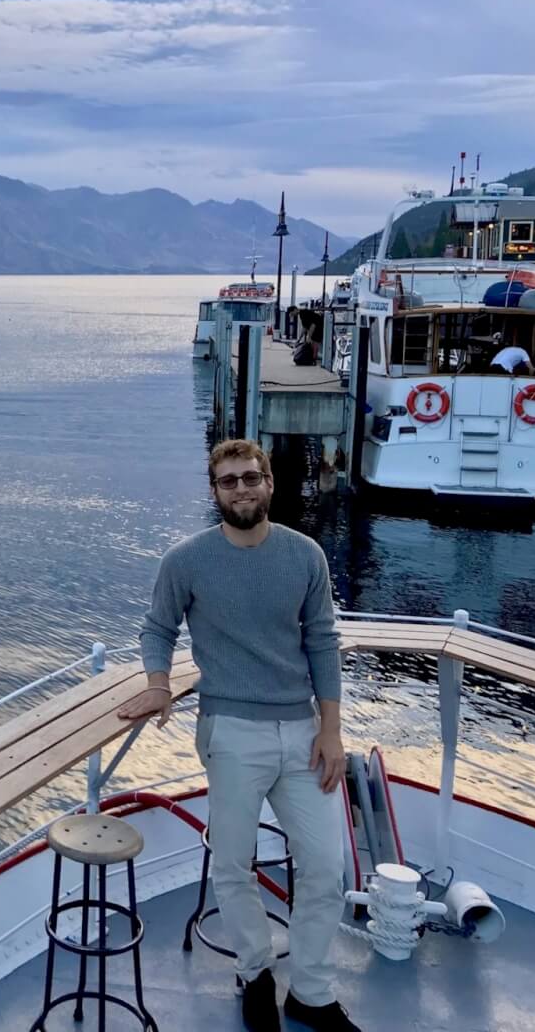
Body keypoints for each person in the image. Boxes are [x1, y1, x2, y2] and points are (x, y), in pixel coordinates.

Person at [115, 439, 355, 1032]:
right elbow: (157, 627)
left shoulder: (305, 556)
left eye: (251, 478)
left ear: (270, 483)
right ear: (215, 490)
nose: (242, 489)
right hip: (228, 729)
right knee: (232, 863)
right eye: (229, 481)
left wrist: (332, 730)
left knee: (329, 864)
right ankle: (255, 972)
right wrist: (157, 684)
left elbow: (322, 642)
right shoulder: (187, 560)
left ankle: (313, 993)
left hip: (302, 730)